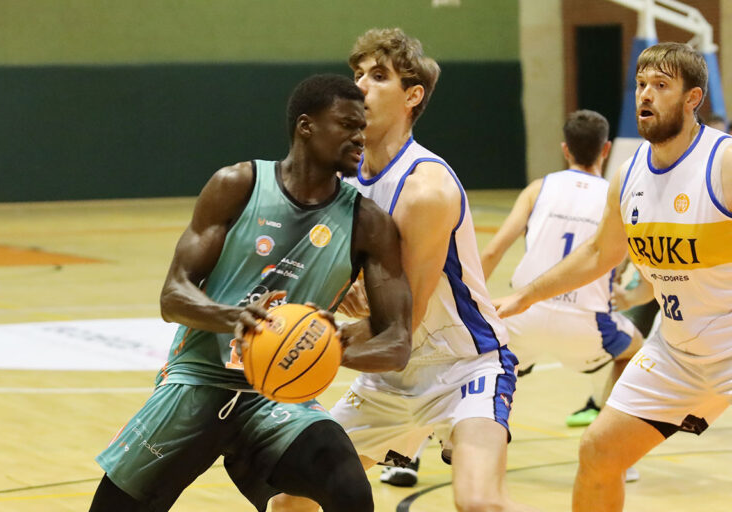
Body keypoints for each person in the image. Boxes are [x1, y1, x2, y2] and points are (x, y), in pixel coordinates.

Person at [88, 74, 413, 512]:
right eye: (347, 125)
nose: (361, 136)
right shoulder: (236, 185)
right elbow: (173, 296)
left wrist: (330, 352)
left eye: (363, 126)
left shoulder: (367, 222)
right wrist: (232, 318)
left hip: (277, 395)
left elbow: (397, 340)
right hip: (198, 379)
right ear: (306, 126)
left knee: (349, 488)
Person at [273, 28, 537, 512]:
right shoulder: (341, 179)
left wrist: (307, 345)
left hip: (462, 366)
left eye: (378, 77)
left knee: (479, 502)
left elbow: (402, 323)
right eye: (356, 76)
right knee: (291, 503)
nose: (360, 87)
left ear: (412, 96)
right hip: (388, 379)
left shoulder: (425, 189)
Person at [494, 42, 732, 512]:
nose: (646, 95)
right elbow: (599, 253)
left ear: (692, 98)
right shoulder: (629, 174)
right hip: (677, 351)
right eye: (641, 85)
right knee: (599, 452)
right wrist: (527, 295)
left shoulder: (722, 162)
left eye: (661, 86)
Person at [479, 110, 642, 431]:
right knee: (634, 352)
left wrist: (468, 304)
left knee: (473, 367)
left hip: (523, 313)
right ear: (605, 149)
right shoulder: (618, 198)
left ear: (565, 149)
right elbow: (634, 264)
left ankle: (424, 450)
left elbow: (493, 250)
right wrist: (628, 295)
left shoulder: (538, 189)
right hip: (587, 326)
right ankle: (612, 446)